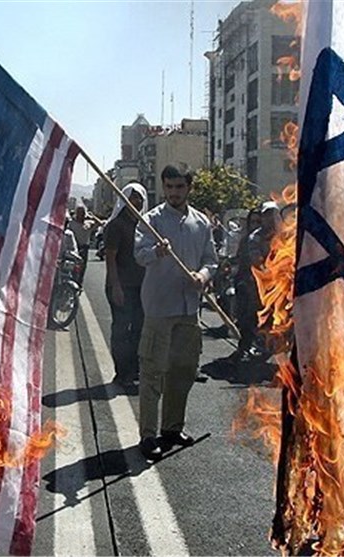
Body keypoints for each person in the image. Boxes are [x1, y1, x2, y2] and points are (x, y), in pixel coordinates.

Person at [134, 165, 218, 461]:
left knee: (182, 371)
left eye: (179, 187)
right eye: (169, 187)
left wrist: (203, 276)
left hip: (188, 308)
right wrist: (156, 251)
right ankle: (148, 436)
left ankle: (172, 428)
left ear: (188, 188)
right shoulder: (151, 220)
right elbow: (139, 254)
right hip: (159, 307)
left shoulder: (201, 223)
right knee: (152, 372)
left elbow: (211, 260)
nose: (173, 193)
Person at [103, 182, 147, 388]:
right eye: (133, 197)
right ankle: (122, 373)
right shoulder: (116, 226)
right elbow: (110, 258)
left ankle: (134, 370)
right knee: (122, 330)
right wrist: (116, 287)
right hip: (122, 286)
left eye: (140, 198)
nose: (136, 201)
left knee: (139, 329)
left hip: (141, 287)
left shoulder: (144, 226)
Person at [233, 203, 279, 361]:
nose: (269, 219)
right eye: (266, 215)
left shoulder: (284, 236)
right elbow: (256, 260)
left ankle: (269, 347)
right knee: (251, 316)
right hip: (256, 284)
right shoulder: (255, 237)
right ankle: (245, 346)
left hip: (279, 286)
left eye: (273, 214)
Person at [67, 205, 100, 281]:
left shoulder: (88, 223)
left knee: (82, 266)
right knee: (72, 266)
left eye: (82, 213)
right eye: (79, 212)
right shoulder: (71, 223)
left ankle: (80, 281)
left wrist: (92, 216)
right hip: (73, 247)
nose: (80, 215)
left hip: (84, 248)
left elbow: (100, 223)